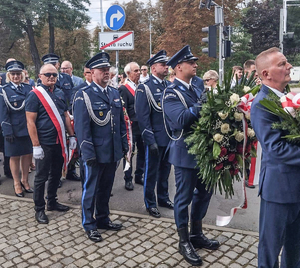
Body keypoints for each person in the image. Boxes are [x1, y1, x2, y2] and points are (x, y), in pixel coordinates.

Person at [161, 45, 220, 266]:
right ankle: (183, 240)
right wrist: (203, 103)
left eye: (195, 62)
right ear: (178, 67)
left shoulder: (196, 86)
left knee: (204, 194)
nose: (196, 65)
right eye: (191, 62)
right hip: (185, 153)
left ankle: (197, 233)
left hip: (204, 151)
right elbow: (180, 120)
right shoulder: (170, 92)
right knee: (183, 198)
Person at [251, 47, 300, 268]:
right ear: (266, 75)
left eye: (287, 62)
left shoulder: (288, 96)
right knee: (270, 250)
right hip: (279, 189)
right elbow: (275, 149)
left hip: (296, 186)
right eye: (281, 64)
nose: (288, 66)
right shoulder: (262, 103)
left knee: (295, 248)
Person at [73, 52, 128, 242]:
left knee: (106, 188)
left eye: (108, 69)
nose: (106, 72)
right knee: (91, 190)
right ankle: (89, 224)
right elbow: (82, 128)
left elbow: (120, 122)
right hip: (94, 152)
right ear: (92, 72)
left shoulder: (113, 92)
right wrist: (88, 154)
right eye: (102, 70)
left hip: (112, 151)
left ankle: (103, 218)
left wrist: (124, 146)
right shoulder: (84, 95)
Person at [25, 63, 76, 224]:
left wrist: (72, 135)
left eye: (54, 74)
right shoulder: (34, 95)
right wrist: (35, 146)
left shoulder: (60, 93)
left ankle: (52, 202)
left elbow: (66, 115)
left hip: (59, 141)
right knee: (40, 177)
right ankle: (39, 208)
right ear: (40, 77)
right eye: (48, 75)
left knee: (56, 174)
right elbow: (30, 122)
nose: (51, 77)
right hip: (44, 143)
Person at [135, 50, 173, 218]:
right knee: (151, 172)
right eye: (162, 65)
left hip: (169, 137)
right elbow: (142, 118)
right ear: (153, 68)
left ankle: (163, 197)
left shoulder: (167, 86)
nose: (166, 67)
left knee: (165, 171)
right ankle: (150, 202)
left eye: (166, 64)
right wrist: (150, 140)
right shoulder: (145, 88)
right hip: (155, 138)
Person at [41, 54, 78, 183]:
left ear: (58, 65)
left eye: (55, 64)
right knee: (54, 154)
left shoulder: (66, 78)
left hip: (67, 115)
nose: (52, 68)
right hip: (51, 123)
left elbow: (71, 95)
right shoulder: (42, 84)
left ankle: (70, 171)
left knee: (70, 148)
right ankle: (55, 177)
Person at [0, 60, 33, 197]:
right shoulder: (4, 91)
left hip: (28, 128)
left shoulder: (28, 89)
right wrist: (7, 131)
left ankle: (25, 181)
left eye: (18, 74)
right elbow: (3, 113)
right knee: (14, 157)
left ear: (22, 75)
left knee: (27, 155)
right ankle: (16, 183)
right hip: (13, 130)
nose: (16, 77)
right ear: (9, 75)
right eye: (13, 74)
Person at [119, 62, 145, 191]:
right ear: (128, 73)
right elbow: (123, 109)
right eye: (136, 70)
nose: (139, 72)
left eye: (139, 70)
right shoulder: (124, 89)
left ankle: (139, 175)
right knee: (129, 153)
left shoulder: (142, 86)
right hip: (130, 126)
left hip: (142, 126)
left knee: (142, 151)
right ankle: (127, 178)